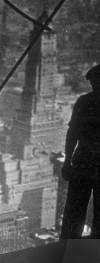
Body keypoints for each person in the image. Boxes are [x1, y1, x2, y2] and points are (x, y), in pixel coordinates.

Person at [60, 65, 100, 238]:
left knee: (74, 212)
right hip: (87, 162)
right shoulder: (84, 102)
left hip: (83, 161)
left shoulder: (84, 102)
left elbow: (73, 133)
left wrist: (68, 160)